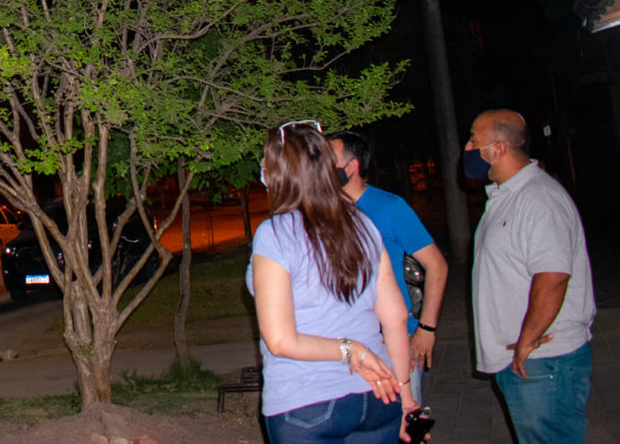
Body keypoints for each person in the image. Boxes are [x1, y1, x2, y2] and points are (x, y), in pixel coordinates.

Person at [248, 120, 427, 443]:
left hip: (306, 403)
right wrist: (405, 397)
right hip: (378, 397)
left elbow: (280, 340)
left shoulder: (275, 234)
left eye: (265, 162)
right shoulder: (363, 224)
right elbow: (397, 317)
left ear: (278, 172)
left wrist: (350, 349)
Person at [465, 109, 595, 444]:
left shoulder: (538, 198)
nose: (467, 148)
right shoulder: (508, 195)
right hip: (525, 359)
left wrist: (527, 340)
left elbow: (553, 276)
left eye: (474, 141)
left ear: (497, 148)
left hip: (542, 360)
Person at [328, 131, 449, 405]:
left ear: (352, 167)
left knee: (401, 412)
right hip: (347, 338)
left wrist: (426, 328)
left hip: (395, 337)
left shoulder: (390, 207)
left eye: (328, 160)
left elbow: (437, 266)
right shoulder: (325, 213)